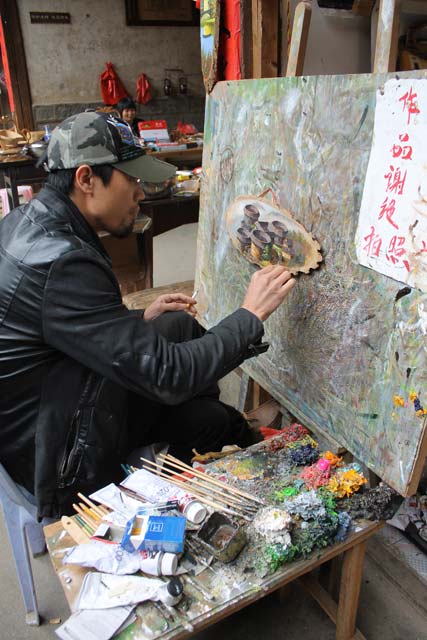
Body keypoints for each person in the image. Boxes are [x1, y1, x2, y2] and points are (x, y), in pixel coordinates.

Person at [0, 111, 296, 519]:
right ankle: (228, 450)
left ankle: (227, 427)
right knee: (205, 416)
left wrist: (134, 320)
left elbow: (58, 324)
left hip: (53, 401)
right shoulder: (62, 262)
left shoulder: (29, 221)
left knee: (177, 324)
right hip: (57, 456)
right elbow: (169, 375)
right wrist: (251, 314)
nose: (141, 193)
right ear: (86, 179)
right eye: (132, 180)